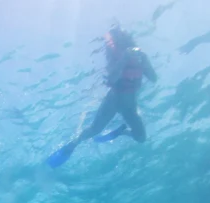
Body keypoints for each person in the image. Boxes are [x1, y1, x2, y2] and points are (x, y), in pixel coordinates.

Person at [47, 26, 158, 168]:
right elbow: (111, 80)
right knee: (94, 129)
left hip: (130, 106)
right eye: (108, 42)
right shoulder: (115, 58)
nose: (109, 44)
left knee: (141, 138)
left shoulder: (139, 57)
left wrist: (145, 62)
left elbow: (153, 78)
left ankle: (122, 132)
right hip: (114, 101)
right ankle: (72, 145)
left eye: (112, 41)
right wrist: (123, 59)